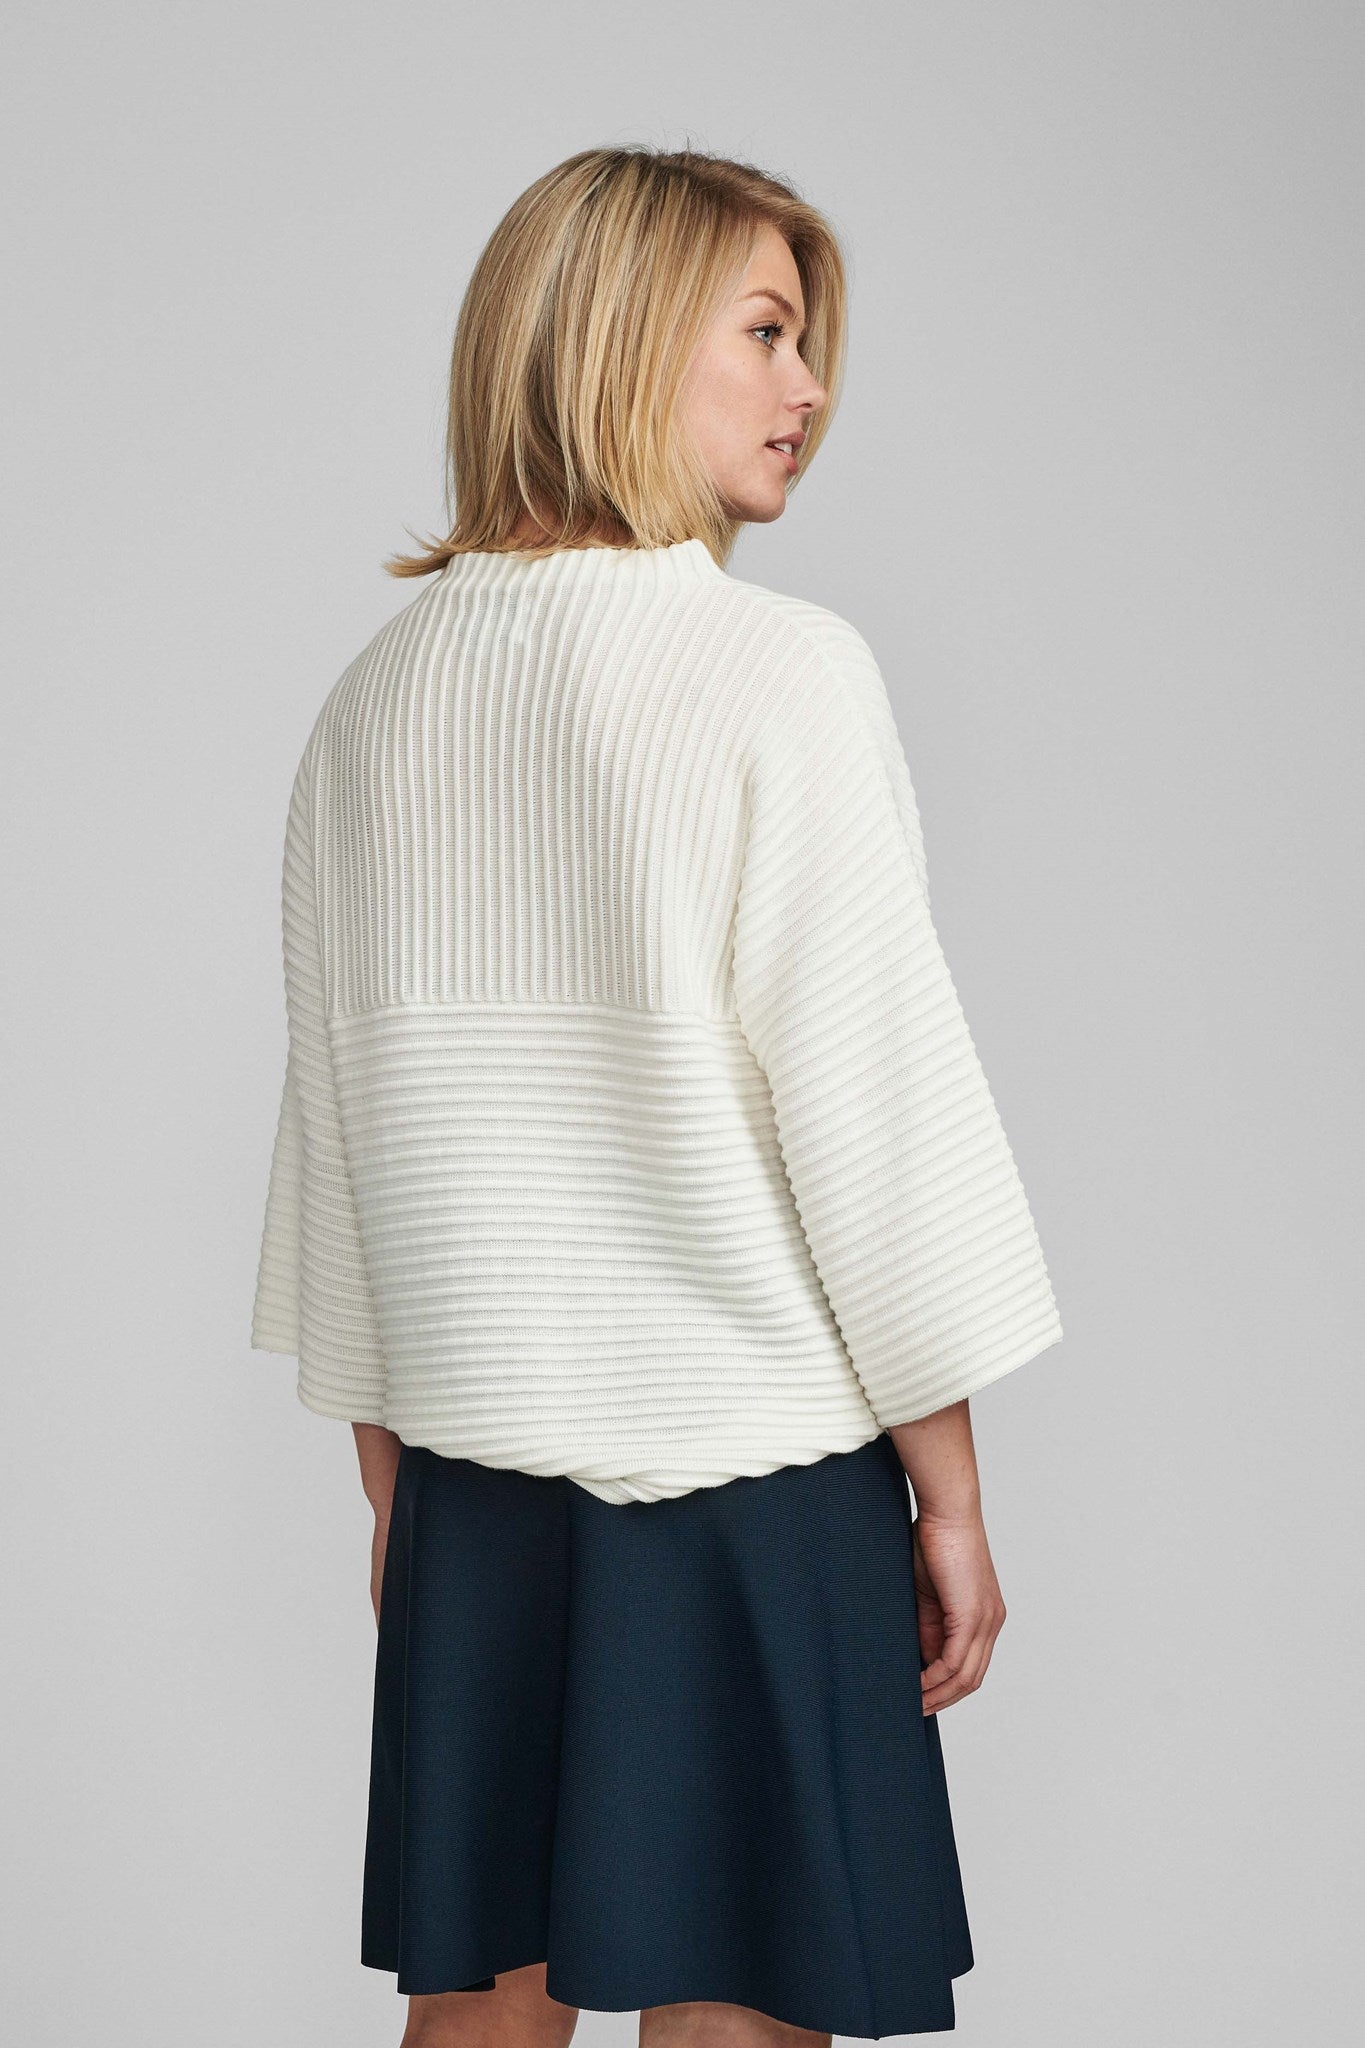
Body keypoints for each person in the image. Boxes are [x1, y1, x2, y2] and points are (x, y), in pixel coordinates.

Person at [250, 145, 1064, 2048]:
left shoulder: (375, 697)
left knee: (481, 2011)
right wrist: (949, 1497)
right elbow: (871, 1103)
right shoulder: (776, 671)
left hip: (473, 1490)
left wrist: (394, 1487)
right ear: (618, 339)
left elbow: (340, 1128)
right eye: (765, 333)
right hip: (750, 1484)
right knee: (743, 2009)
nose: (810, 389)